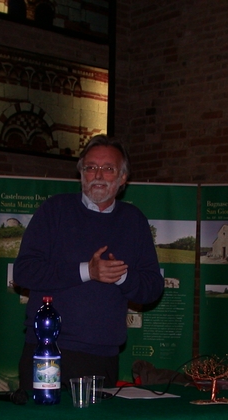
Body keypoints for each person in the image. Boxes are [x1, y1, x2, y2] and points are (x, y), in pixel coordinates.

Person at [13, 135, 164, 390]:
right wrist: (87, 271)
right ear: (81, 173)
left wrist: (122, 276)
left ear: (123, 178)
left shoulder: (133, 220)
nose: (98, 175)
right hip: (48, 350)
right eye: (91, 167)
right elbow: (24, 272)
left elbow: (152, 289)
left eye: (108, 169)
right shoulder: (55, 210)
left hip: (101, 356)